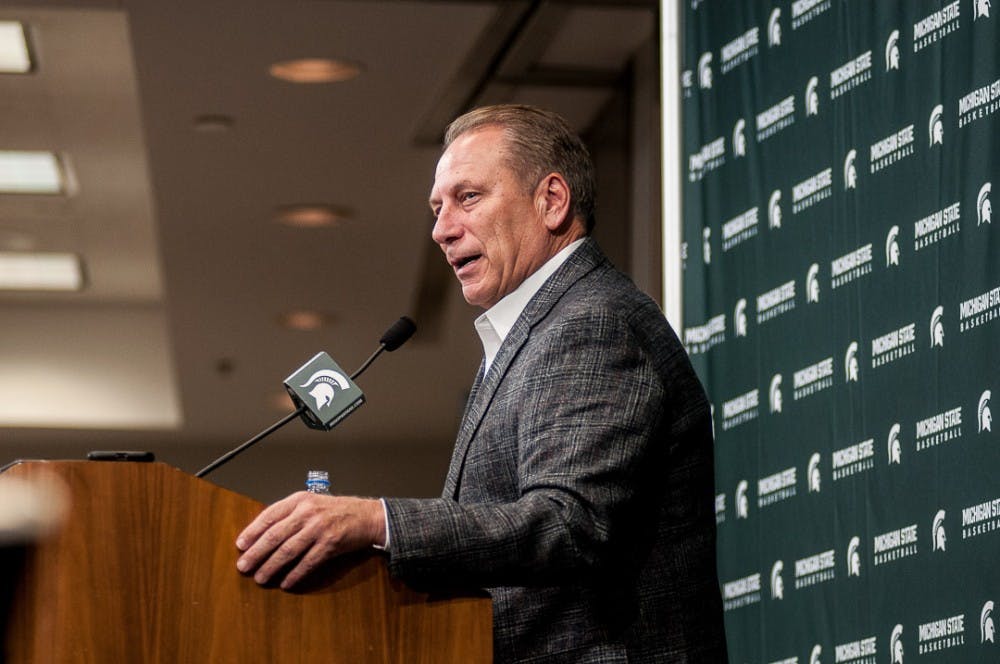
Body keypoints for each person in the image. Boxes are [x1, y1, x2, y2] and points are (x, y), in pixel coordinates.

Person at [236, 104, 728, 662]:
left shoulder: (591, 324)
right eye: (437, 207)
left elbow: (567, 524)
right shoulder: (534, 332)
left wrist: (376, 521)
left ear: (552, 201)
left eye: (467, 197)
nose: (442, 230)